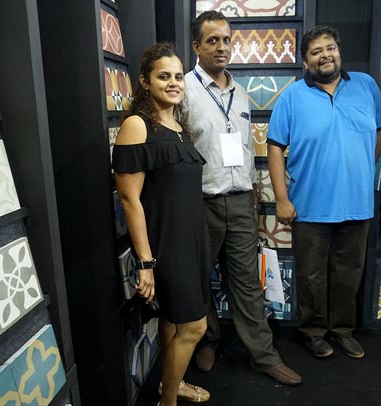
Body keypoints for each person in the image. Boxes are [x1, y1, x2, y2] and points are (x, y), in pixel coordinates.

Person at [181, 10, 302, 386]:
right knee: (199, 279)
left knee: (248, 283)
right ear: (196, 46)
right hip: (200, 203)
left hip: (240, 200)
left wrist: (251, 194)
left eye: (226, 40)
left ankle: (264, 356)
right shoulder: (183, 90)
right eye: (212, 40)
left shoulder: (241, 93)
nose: (221, 47)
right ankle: (208, 339)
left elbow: (246, 150)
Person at [267, 25, 381, 360]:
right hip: (309, 206)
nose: (325, 55)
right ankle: (313, 332)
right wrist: (281, 199)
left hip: (357, 204)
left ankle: (343, 331)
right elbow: (275, 147)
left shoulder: (365, 86)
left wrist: (363, 162)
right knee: (310, 276)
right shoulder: (292, 96)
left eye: (330, 48)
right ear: (306, 62)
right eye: (316, 51)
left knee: (349, 275)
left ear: (339, 51)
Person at [112, 42, 210, 406]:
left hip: (191, 240)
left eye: (178, 77)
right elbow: (129, 199)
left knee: (172, 321)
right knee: (194, 326)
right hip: (166, 245)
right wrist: (146, 262)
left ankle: (173, 385)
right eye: (164, 76)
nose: (173, 83)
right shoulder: (137, 125)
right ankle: (167, 402)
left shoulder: (178, 127)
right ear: (145, 82)